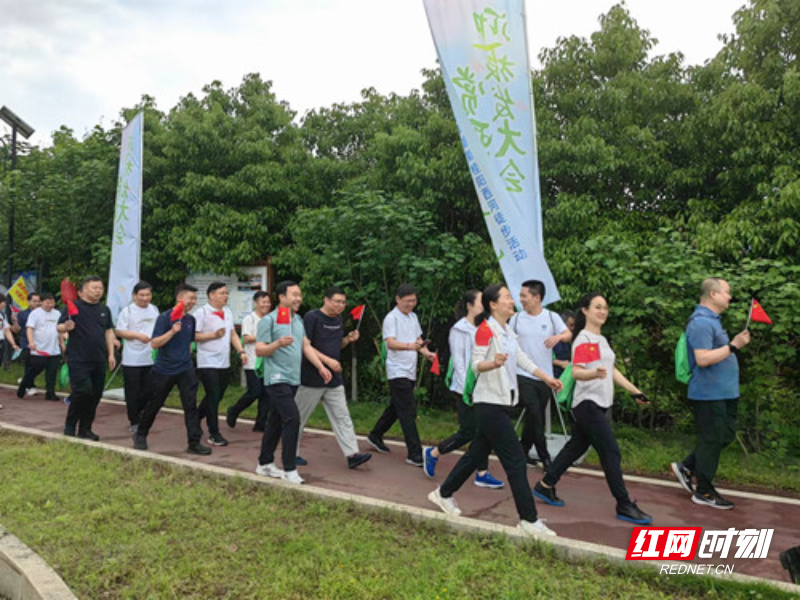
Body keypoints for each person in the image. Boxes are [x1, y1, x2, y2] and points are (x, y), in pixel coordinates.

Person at [428, 285, 562, 537]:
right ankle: (529, 521)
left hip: (501, 402)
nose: (512, 301)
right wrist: (493, 363)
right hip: (488, 404)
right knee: (516, 461)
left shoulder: (507, 331)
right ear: (493, 304)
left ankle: (443, 493)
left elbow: (522, 358)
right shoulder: (485, 330)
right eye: (508, 298)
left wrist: (546, 378)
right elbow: (476, 364)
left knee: (474, 455)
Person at [533, 292, 653, 525]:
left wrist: (635, 391)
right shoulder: (585, 339)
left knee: (574, 448)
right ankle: (624, 503)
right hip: (588, 405)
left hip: (600, 404)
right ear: (585, 311)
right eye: (597, 307)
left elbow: (612, 370)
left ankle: (545, 485)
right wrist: (593, 373)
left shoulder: (600, 340)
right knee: (611, 452)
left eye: (605, 308)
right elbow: (578, 371)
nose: (602, 311)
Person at [670, 277, 750, 510]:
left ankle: (687, 466)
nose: (730, 297)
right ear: (713, 294)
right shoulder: (701, 323)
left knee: (724, 435)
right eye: (727, 292)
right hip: (709, 393)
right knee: (711, 439)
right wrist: (733, 346)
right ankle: (703, 490)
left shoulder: (713, 321)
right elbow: (703, 358)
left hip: (725, 393)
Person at [423, 290, 504, 489]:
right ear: (469, 305)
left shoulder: (486, 327)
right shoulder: (460, 329)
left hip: (483, 386)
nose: (484, 304)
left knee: (483, 431)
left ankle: (482, 473)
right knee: (469, 431)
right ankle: (434, 453)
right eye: (480, 301)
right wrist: (465, 388)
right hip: (466, 388)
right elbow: (459, 362)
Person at [254, 281, 332, 484]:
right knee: (292, 419)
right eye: (294, 294)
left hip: (293, 378)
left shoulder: (297, 321)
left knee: (276, 421)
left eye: (300, 295)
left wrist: (321, 366)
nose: (299, 298)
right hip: (276, 378)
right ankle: (290, 469)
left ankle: (264, 463)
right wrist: (277, 343)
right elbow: (259, 350)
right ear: (282, 297)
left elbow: (306, 346)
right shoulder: (268, 321)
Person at [294, 286, 372, 470]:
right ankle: (291, 452)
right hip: (311, 378)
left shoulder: (338, 320)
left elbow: (337, 346)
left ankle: (352, 454)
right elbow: (306, 347)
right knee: (298, 418)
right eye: (337, 301)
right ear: (326, 300)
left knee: (342, 416)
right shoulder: (311, 317)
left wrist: (347, 339)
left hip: (334, 379)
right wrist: (327, 362)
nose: (340, 305)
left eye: (343, 302)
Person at [133, 284, 211, 455]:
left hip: (186, 369)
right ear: (179, 299)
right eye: (190, 298)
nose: (193, 302)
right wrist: (172, 332)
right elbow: (155, 343)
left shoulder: (190, 319)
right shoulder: (165, 318)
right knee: (155, 404)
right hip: (164, 370)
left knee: (190, 406)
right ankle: (141, 434)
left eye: (194, 299)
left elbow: (189, 343)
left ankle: (194, 442)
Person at [367, 283, 436, 466]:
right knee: (408, 410)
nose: (411, 304)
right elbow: (390, 343)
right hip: (397, 370)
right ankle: (414, 453)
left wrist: (426, 353)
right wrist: (409, 346)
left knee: (396, 407)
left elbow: (418, 340)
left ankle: (375, 435)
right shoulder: (392, 318)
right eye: (407, 301)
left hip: (410, 369)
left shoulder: (413, 317)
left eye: (414, 301)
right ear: (398, 299)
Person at [509, 280, 572, 469]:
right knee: (536, 414)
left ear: (537, 297)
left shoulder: (551, 317)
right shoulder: (517, 319)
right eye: (520, 296)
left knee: (532, 417)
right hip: (522, 374)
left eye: (524, 296)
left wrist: (559, 337)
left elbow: (568, 334)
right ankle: (546, 458)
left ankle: (523, 451)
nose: (521, 300)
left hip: (545, 377)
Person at [57, 277, 115, 440]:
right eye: (94, 287)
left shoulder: (104, 309)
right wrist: (66, 327)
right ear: (82, 291)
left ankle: (85, 429)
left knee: (95, 395)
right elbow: (59, 326)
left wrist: (110, 354)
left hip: (98, 358)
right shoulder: (73, 306)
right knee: (83, 391)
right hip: (78, 358)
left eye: (100, 287)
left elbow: (109, 331)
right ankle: (70, 425)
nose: (98, 290)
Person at [195, 281, 247, 447]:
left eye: (226, 293)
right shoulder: (201, 313)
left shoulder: (227, 312)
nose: (226, 296)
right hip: (207, 361)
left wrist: (241, 351)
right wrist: (213, 335)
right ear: (211, 295)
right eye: (222, 293)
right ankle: (214, 433)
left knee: (216, 396)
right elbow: (194, 336)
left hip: (223, 361)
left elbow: (232, 335)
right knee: (213, 395)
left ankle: (194, 418)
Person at [115, 281, 159, 433]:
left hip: (150, 356)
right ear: (134, 296)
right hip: (132, 358)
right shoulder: (127, 311)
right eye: (142, 295)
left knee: (149, 390)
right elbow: (119, 331)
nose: (145, 298)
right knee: (133, 391)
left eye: (148, 295)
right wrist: (137, 335)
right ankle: (134, 420)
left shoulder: (154, 309)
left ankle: (142, 414)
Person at [226, 291, 272, 432]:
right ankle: (233, 411)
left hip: (267, 362)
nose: (266, 305)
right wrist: (265, 336)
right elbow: (246, 338)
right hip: (252, 361)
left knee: (266, 394)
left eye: (268, 302)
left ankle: (260, 423)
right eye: (263, 302)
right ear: (256, 303)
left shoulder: (270, 319)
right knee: (255, 391)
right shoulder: (249, 319)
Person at [17, 292, 61, 401]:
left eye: (52, 303)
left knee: (52, 372)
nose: (50, 305)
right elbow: (29, 329)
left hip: (54, 349)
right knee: (34, 370)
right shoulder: (35, 314)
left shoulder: (57, 313)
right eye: (47, 303)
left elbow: (60, 330)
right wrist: (31, 342)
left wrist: (62, 343)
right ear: (41, 302)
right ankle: (24, 385)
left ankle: (50, 393)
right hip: (39, 349)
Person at [552, 310, 575, 379]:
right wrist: (561, 363)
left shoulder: (575, 338)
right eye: (571, 325)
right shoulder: (553, 338)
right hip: (556, 377)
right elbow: (543, 357)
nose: (573, 328)